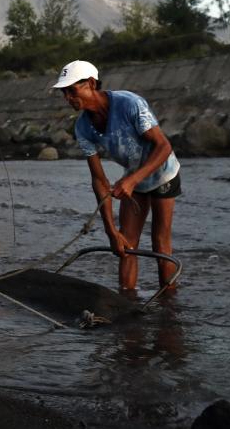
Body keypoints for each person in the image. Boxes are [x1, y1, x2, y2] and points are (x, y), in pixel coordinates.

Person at [53, 60, 181, 291]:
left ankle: (168, 305)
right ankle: (127, 302)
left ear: (91, 84)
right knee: (125, 245)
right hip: (133, 179)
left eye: (72, 90)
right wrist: (110, 231)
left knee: (160, 244)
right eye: (64, 92)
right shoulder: (82, 127)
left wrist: (131, 180)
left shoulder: (129, 104)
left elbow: (164, 146)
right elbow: (99, 180)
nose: (68, 98)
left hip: (162, 172)